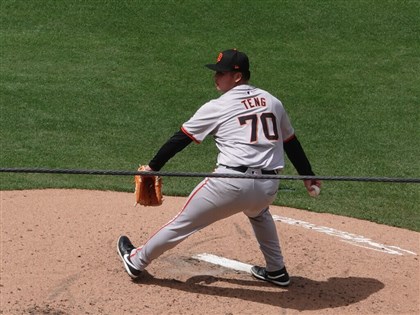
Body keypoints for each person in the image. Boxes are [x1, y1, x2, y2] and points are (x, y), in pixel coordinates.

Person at [117, 48, 321, 287]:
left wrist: (153, 167)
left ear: (237, 76)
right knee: (259, 213)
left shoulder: (219, 106)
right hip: (268, 187)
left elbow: (181, 138)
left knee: (184, 222)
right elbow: (290, 142)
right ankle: (276, 271)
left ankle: (136, 260)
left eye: (221, 73)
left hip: (230, 184)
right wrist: (308, 175)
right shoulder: (272, 101)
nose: (216, 77)